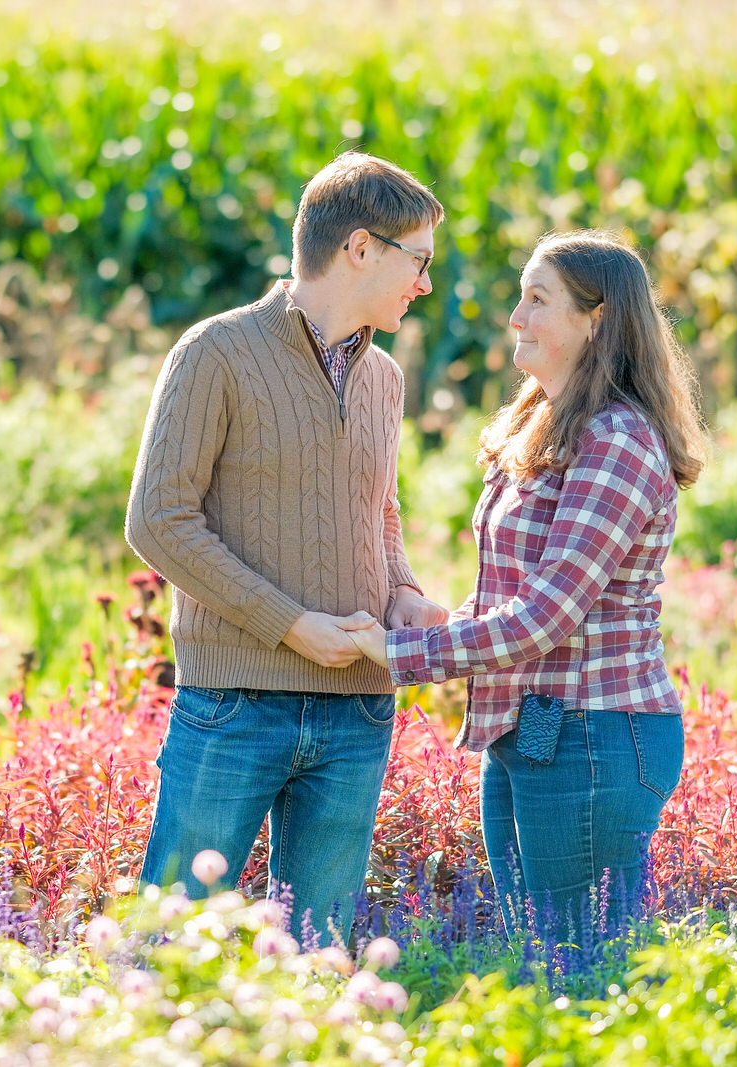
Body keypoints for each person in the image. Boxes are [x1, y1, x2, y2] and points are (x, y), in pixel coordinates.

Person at [346, 230, 707, 949]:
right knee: (547, 961)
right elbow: (516, 589)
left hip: (595, 735)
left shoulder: (618, 440)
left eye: (536, 299)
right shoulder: (546, 420)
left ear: (596, 320)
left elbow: (547, 615)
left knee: (582, 967)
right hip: (533, 727)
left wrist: (398, 652)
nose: (515, 316)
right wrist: (424, 609)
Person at [125, 151, 448, 944]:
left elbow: (381, 509)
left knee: (317, 957)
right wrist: (288, 622)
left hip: (359, 709)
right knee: (166, 947)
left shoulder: (385, 379)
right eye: (420, 261)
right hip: (237, 702)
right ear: (361, 248)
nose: (427, 285)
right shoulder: (216, 353)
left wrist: (401, 586)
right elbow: (157, 520)